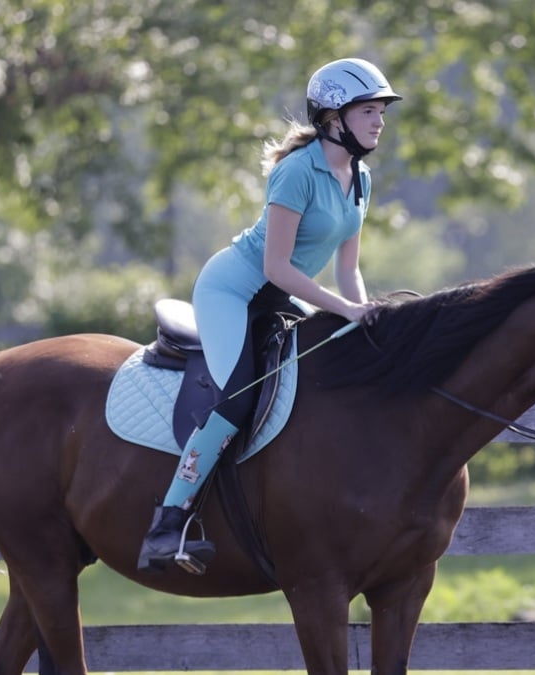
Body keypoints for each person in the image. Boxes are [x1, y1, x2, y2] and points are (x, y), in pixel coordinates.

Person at [137, 57, 402, 573]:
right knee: (236, 399)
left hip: (282, 293)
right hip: (234, 291)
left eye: (381, 112)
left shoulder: (362, 178)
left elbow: (349, 270)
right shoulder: (296, 172)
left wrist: (363, 314)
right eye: (368, 110)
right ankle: (167, 523)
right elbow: (276, 268)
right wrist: (344, 307)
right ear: (333, 118)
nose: (379, 122)